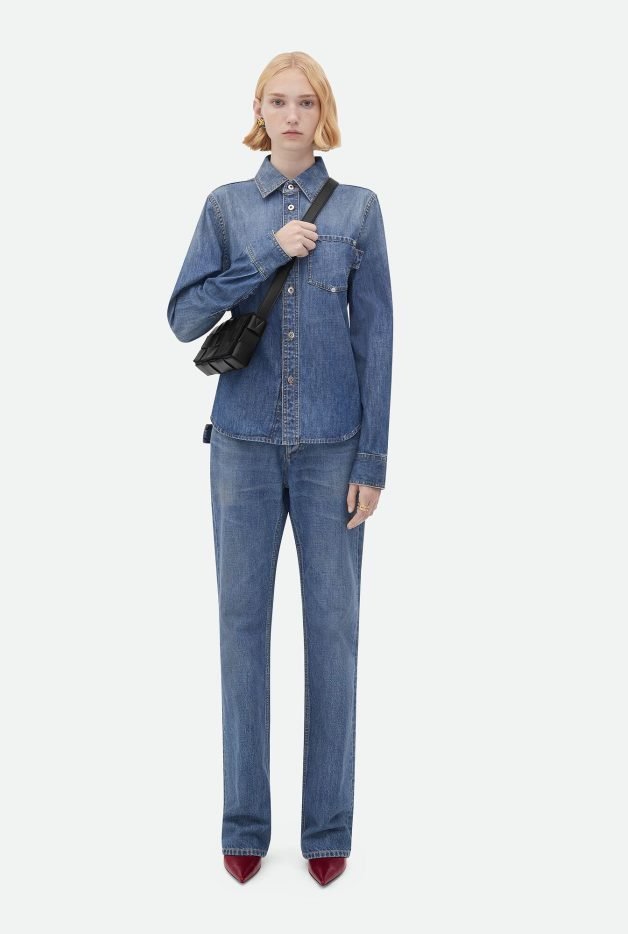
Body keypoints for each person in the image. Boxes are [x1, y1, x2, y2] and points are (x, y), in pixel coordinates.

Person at [167, 50, 394, 887]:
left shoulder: (359, 209)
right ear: (258, 112)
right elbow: (183, 316)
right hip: (242, 448)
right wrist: (265, 254)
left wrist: (373, 459)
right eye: (277, 101)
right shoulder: (227, 207)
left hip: (335, 450)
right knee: (241, 633)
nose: (292, 115)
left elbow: (378, 338)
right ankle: (243, 825)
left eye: (305, 102)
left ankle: (328, 827)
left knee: (334, 636)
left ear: (322, 112)